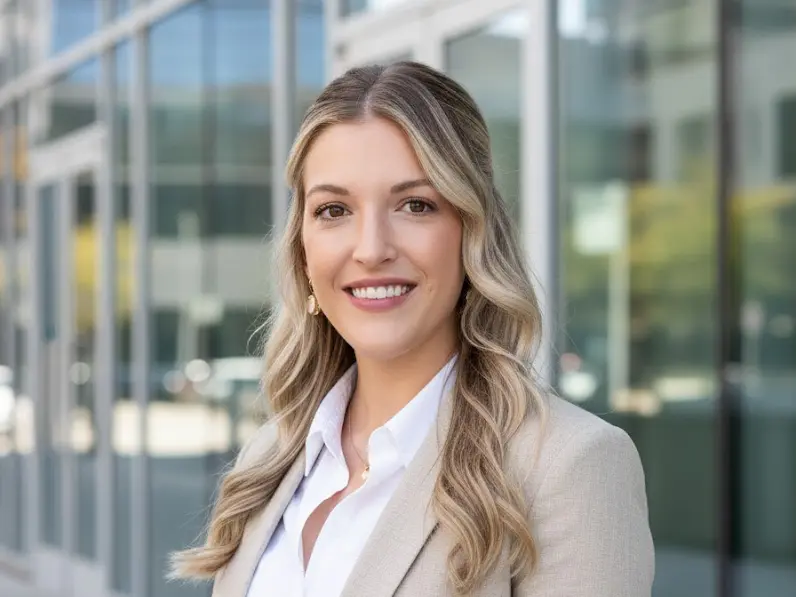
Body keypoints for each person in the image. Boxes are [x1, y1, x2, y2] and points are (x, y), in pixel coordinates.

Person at [170, 61, 654, 597]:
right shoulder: (269, 457)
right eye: (334, 210)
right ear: (302, 249)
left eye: (415, 205)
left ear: (473, 232)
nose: (371, 249)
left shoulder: (570, 466)